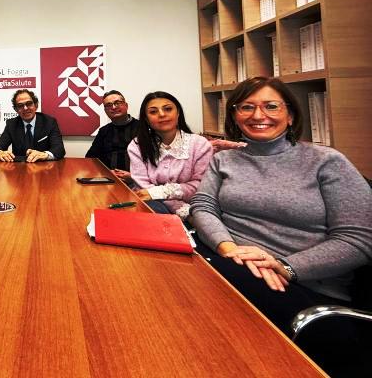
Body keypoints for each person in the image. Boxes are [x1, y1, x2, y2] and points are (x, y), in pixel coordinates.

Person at [189, 76, 372, 333]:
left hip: (301, 287)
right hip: (229, 262)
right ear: (235, 116)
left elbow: (359, 240)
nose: (258, 115)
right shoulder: (224, 160)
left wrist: (284, 266)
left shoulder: (327, 161)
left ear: (291, 115)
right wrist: (229, 249)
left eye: (271, 106)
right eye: (246, 107)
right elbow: (203, 206)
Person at [127, 91, 212, 218]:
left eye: (168, 109)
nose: (162, 114)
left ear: (178, 113)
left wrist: (162, 192)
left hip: (195, 205)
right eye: (153, 112)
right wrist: (177, 207)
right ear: (146, 119)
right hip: (152, 206)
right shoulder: (137, 145)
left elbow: (201, 185)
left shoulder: (200, 144)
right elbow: (143, 188)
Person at [0, 89, 65, 163]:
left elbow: (59, 149)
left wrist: (45, 155)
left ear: (36, 105)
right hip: (19, 168)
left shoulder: (49, 122)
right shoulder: (12, 124)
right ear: (16, 109)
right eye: (20, 106)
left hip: (44, 167)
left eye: (29, 104)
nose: (25, 108)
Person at [85, 90, 140, 177]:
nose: (113, 107)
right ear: (105, 110)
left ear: (126, 105)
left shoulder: (143, 128)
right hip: (108, 179)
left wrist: (134, 177)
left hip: (139, 181)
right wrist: (106, 173)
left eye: (117, 103)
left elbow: (154, 162)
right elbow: (91, 159)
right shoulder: (104, 131)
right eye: (108, 105)